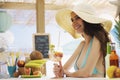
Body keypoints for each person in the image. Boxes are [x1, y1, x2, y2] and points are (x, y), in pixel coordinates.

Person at [53, 3, 112, 78]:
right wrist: (58, 70)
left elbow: (86, 73)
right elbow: (64, 69)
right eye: (72, 20)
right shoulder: (82, 44)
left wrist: (69, 74)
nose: (73, 23)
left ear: (87, 20)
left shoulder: (97, 40)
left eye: (77, 18)